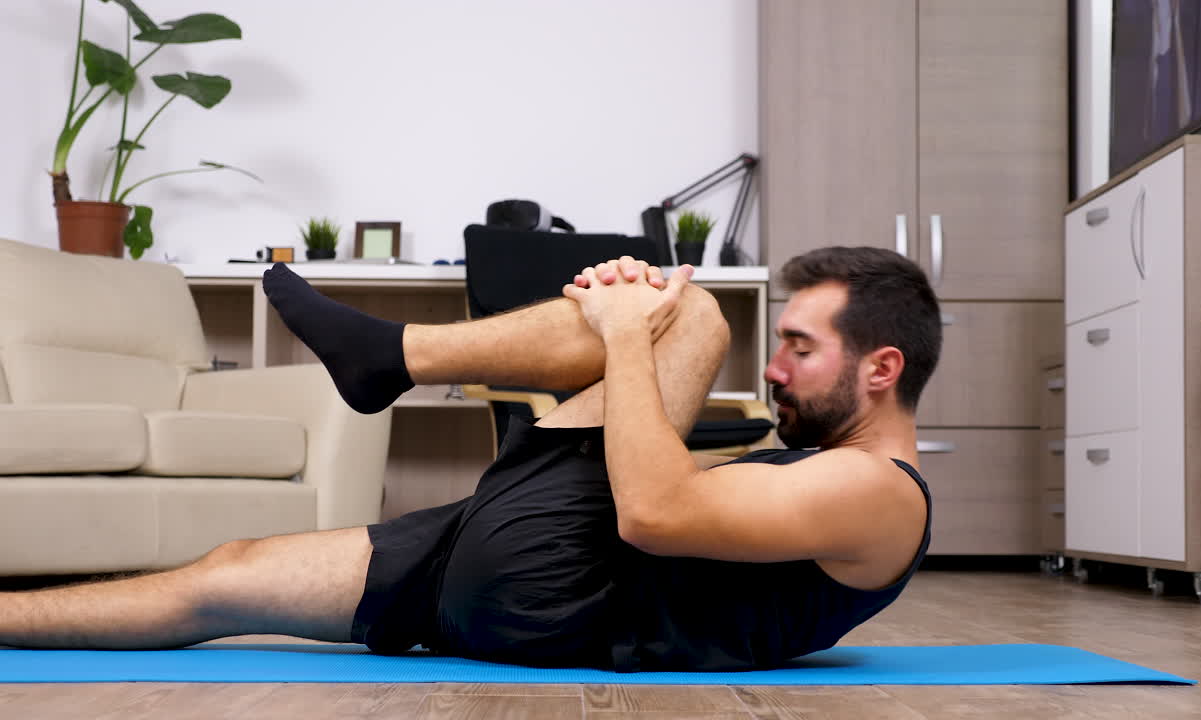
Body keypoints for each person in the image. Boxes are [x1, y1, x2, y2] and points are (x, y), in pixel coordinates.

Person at [0, 246, 940, 672]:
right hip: (526, 578)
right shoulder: (832, 471)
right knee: (224, 576)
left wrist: (621, 336)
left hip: (562, 585)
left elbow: (654, 515)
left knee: (685, 312)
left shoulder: (879, 494)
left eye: (800, 350)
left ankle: (390, 355)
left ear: (881, 369)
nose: (772, 371)